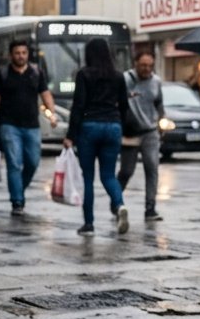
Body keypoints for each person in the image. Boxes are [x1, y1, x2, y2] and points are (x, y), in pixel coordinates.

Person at [63, 37, 129, 237]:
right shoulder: (118, 76)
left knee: (89, 179)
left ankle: (89, 224)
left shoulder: (84, 74)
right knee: (109, 175)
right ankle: (119, 206)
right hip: (113, 126)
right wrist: (120, 126)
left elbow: (78, 106)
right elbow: (125, 106)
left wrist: (70, 135)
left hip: (89, 127)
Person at [0, 40, 58, 217]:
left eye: (24, 53)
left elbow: (46, 95)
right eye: (17, 53)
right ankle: (17, 201)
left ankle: (18, 188)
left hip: (32, 125)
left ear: (28, 54)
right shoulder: (2, 75)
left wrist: (52, 114)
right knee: (14, 163)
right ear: (11, 55)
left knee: (33, 162)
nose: (21, 56)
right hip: (8, 125)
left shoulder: (36, 73)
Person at [118, 50, 165, 222]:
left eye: (150, 66)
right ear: (135, 64)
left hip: (150, 131)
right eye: (143, 65)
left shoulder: (156, 81)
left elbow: (159, 102)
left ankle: (150, 208)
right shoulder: (125, 79)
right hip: (130, 131)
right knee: (126, 171)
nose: (147, 69)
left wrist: (162, 120)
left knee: (152, 167)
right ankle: (116, 200)